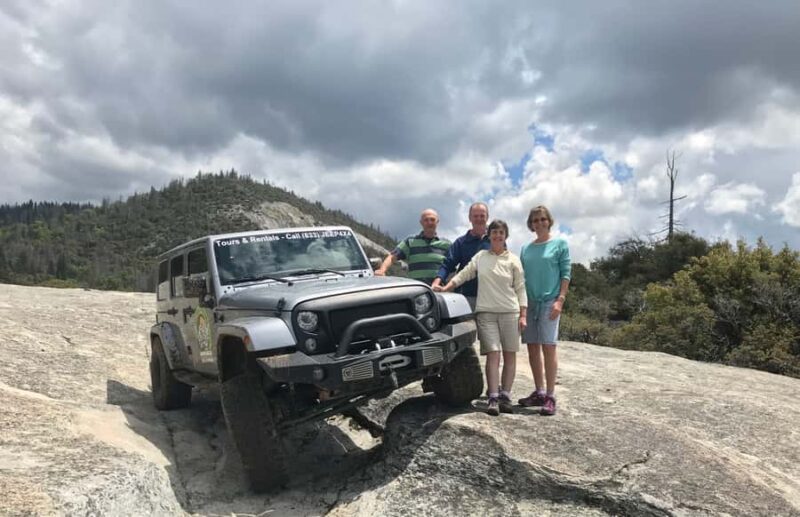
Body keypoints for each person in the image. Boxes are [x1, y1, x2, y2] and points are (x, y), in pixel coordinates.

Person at [435, 219, 526, 416]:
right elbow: (464, 274)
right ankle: (493, 397)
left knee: (510, 354)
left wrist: (523, 314)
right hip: (486, 313)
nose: (498, 236)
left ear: (505, 236)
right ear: (489, 235)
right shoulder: (481, 257)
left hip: (511, 312)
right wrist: (445, 287)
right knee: (493, 354)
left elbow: (520, 288)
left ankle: (506, 395)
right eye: (494, 232)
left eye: (501, 233)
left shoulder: (514, 260)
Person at [518, 206, 571, 416]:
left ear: (549, 221)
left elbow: (566, 274)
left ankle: (550, 396)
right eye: (535, 220)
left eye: (542, 219)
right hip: (530, 302)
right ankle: (539, 392)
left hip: (550, 301)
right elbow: (521, 278)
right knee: (532, 347)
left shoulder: (559, 244)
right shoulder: (526, 249)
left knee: (549, 347)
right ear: (531, 224)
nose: (539, 223)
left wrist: (561, 300)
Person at [431, 202, 490, 310]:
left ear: (487, 217)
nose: (479, 219)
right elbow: (447, 264)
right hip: (466, 297)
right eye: (475, 216)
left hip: (491, 298)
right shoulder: (460, 243)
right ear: (470, 218)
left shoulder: (496, 241)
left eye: (482, 216)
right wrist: (437, 282)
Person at [374, 208, 451, 285]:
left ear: (437, 221)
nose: (429, 222)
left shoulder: (446, 244)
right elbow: (392, 256)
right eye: (426, 220)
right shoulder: (410, 242)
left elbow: (454, 266)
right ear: (421, 223)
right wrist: (382, 270)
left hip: (439, 291)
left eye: (432, 219)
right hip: (417, 291)